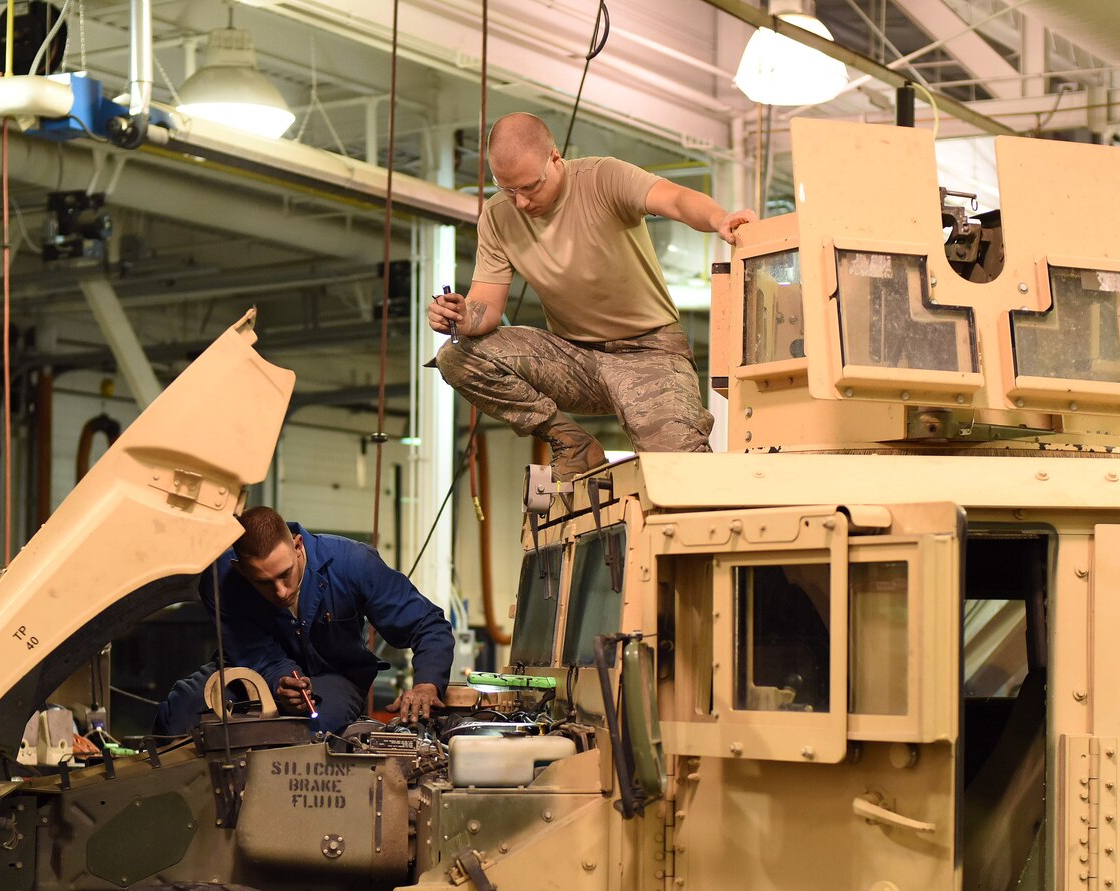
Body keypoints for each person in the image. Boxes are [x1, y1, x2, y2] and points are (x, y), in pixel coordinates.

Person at [429, 112, 756, 480]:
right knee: (457, 357)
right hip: (576, 359)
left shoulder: (603, 178)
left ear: (555, 159)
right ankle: (573, 445)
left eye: (530, 187)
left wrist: (718, 219)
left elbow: (676, 199)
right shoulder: (497, 215)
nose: (520, 203)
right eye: (507, 189)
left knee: (683, 478)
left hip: (648, 354)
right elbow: (485, 305)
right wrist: (462, 317)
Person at [155, 506, 454, 735]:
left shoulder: (352, 563)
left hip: (337, 676)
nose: (281, 591)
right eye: (263, 582)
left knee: (306, 729)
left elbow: (427, 624)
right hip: (249, 668)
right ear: (240, 569)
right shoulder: (221, 581)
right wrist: (280, 683)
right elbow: (255, 654)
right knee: (183, 708)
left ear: (298, 546)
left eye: (285, 574)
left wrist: (427, 685)